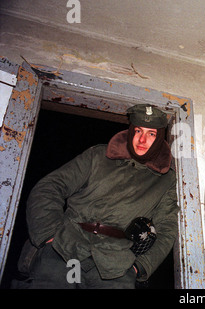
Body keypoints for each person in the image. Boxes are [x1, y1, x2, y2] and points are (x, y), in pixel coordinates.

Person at [17, 104, 178, 289]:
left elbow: (167, 228)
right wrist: (49, 235)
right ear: (131, 130)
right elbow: (50, 187)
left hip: (116, 265)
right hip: (66, 247)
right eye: (138, 131)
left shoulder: (166, 181)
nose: (142, 139)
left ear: (159, 138)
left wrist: (140, 266)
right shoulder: (98, 156)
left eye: (151, 134)